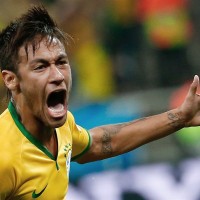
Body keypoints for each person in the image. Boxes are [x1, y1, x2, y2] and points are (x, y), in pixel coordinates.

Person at [0, 5, 200, 200]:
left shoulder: (61, 127)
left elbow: (101, 143)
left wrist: (181, 117)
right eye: (40, 67)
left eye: (61, 62)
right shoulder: (5, 158)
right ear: (11, 79)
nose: (58, 75)